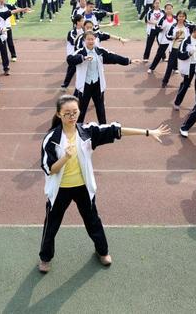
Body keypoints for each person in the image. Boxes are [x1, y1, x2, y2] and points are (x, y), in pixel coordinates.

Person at [38, 94, 170, 273]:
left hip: (83, 188)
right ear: (59, 114)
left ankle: (102, 251)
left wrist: (148, 132)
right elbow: (49, 169)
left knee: (92, 220)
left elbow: (116, 130)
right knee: (51, 225)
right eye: (67, 113)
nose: (72, 116)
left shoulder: (87, 131)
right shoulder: (51, 138)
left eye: (75, 112)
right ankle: (45, 257)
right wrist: (65, 158)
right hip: (60, 190)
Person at [68, 30, 141, 124]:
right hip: (84, 87)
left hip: (97, 85)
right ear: (84, 40)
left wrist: (129, 61)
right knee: (81, 110)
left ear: (95, 40)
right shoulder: (79, 52)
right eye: (88, 39)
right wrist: (83, 58)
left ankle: (104, 129)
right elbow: (69, 60)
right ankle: (77, 130)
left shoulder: (100, 51)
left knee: (101, 109)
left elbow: (114, 57)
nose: (90, 41)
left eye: (92, 39)